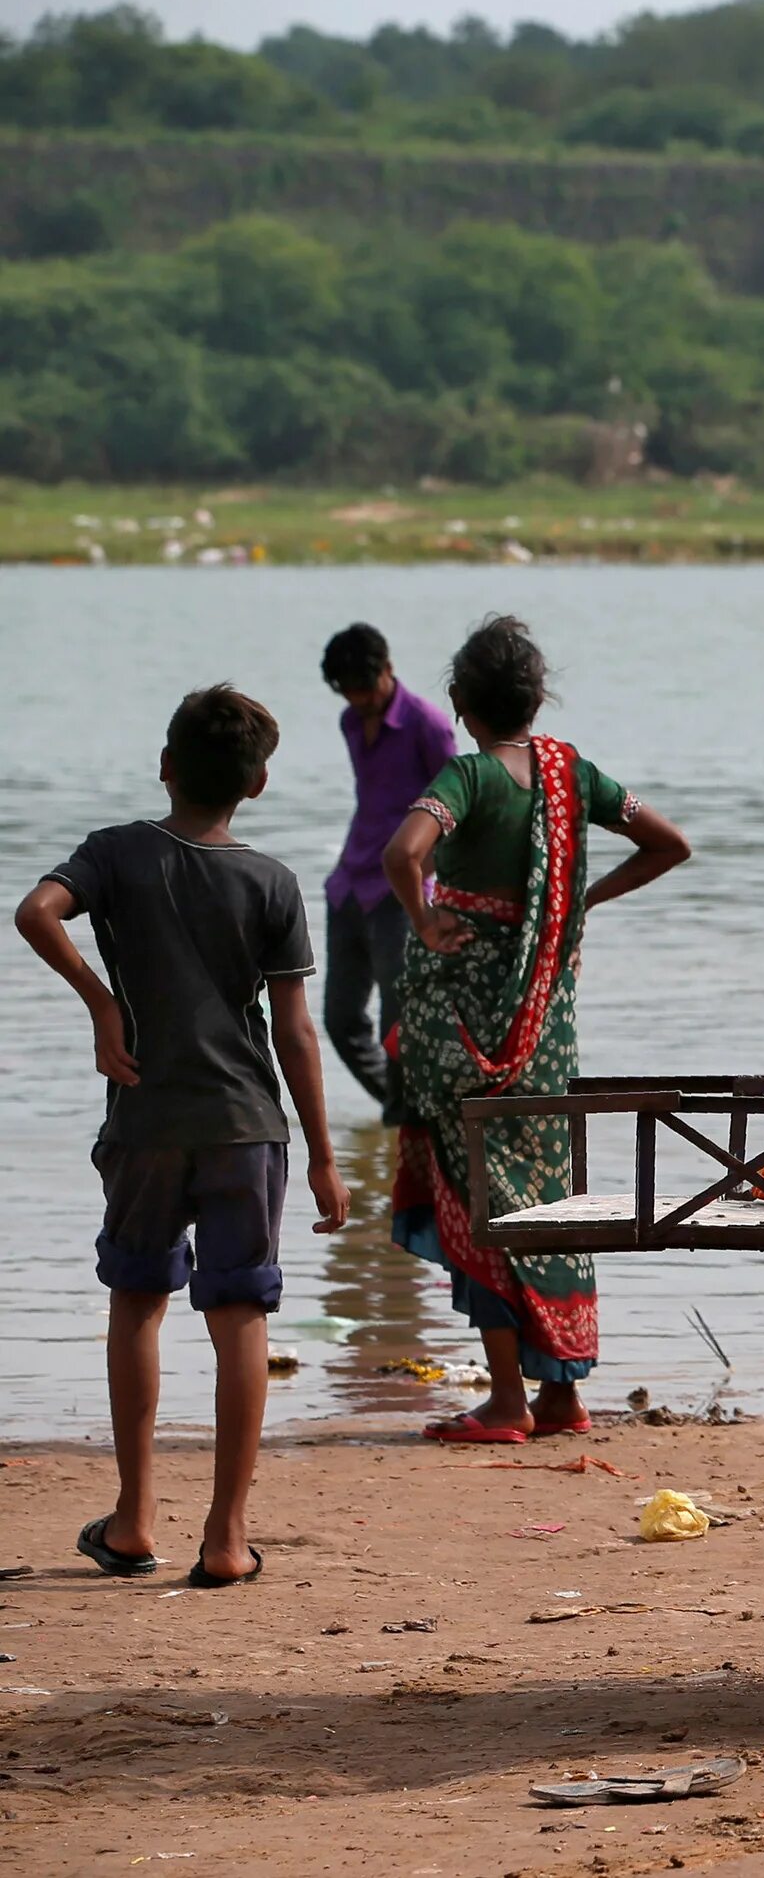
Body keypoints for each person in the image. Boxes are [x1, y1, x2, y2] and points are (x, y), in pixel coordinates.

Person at [15, 687, 348, 1586]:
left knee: (137, 1301)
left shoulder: (115, 853)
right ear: (261, 783)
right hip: (246, 1124)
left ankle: (131, 1518)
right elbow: (295, 1032)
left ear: (166, 765)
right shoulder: (272, 881)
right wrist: (321, 1155)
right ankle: (227, 1537)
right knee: (238, 1315)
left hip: (145, 1120)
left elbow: (36, 913)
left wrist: (102, 1003)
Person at [380, 617, 689, 1444]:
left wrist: (427, 920)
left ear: (458, 703)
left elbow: (402, 852)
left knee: (482, 1192)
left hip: (464, 1030)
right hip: (547, 1029)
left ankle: (510, 1399)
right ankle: (563, 1395)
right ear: (536, 697)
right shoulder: (572, 775)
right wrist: (585, 901)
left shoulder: (469, 778)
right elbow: (670, 844)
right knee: (545, 1194)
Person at [318, 623, 460, 1121]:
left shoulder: (429, 725)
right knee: (340, 1021)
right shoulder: (351, 722)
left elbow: (454, 811)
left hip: (403, 891)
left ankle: (404, 1131)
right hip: (350, 885)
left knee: (395, 1027)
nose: (359, 700)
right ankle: (402, 1117)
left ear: (388, 669)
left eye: (365, 688)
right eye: (348, 692)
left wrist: (433, 883)